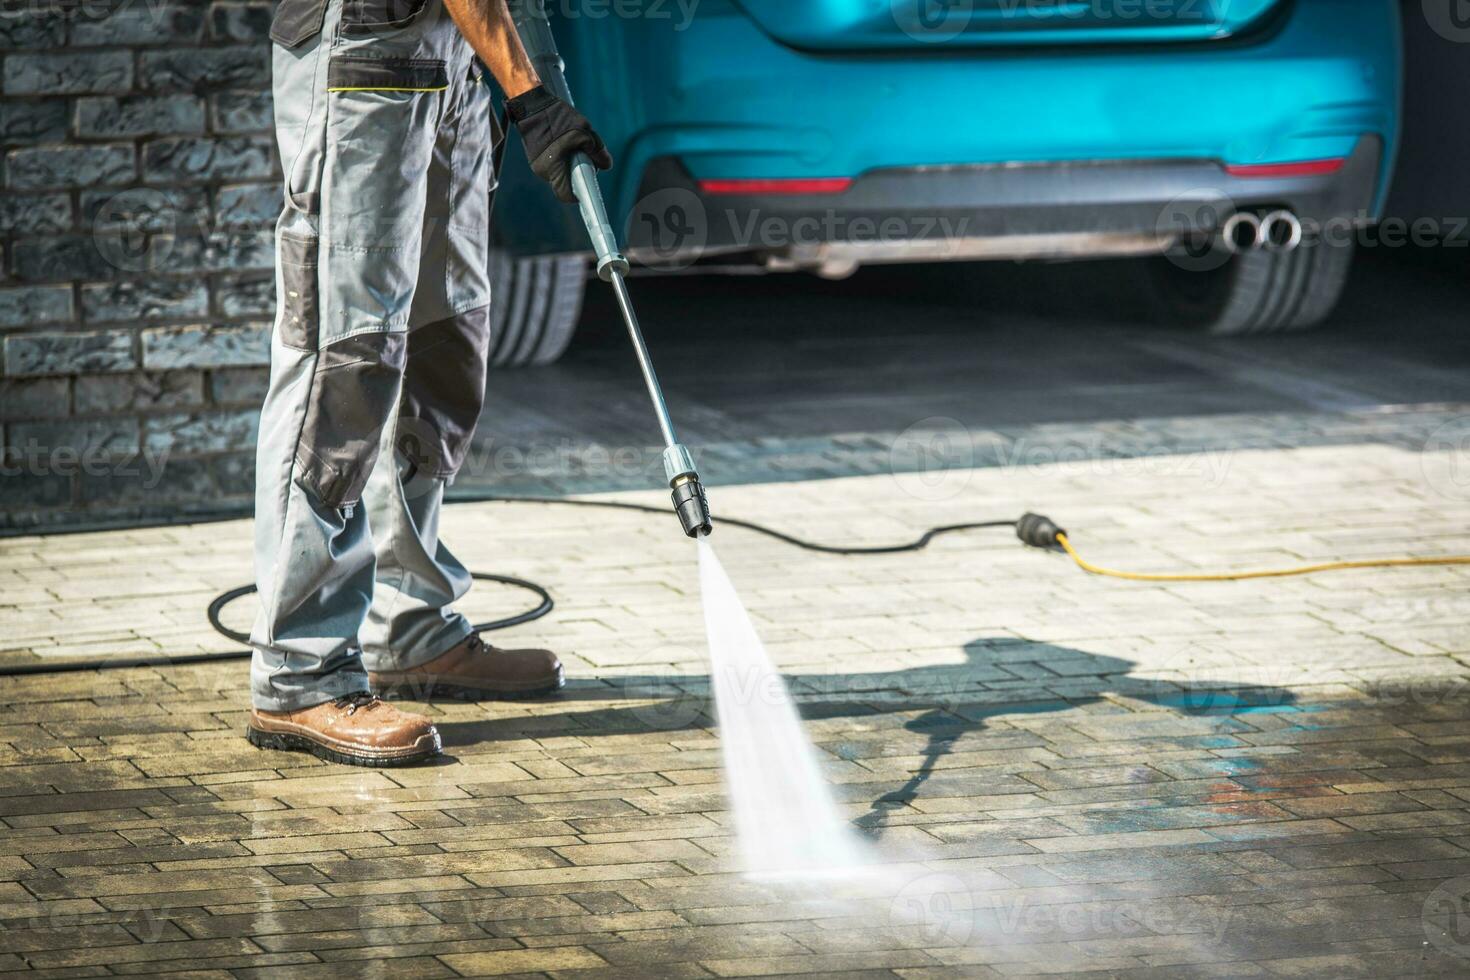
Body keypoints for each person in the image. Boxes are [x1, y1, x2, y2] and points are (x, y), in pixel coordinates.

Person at [246, 0, 611, 766]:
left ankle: (408, 625)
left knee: (445, 344)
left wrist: (513, 71)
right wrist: (529, 90)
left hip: (453, 62)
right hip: (363, 54)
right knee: (345, 359)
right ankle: (301, 670)